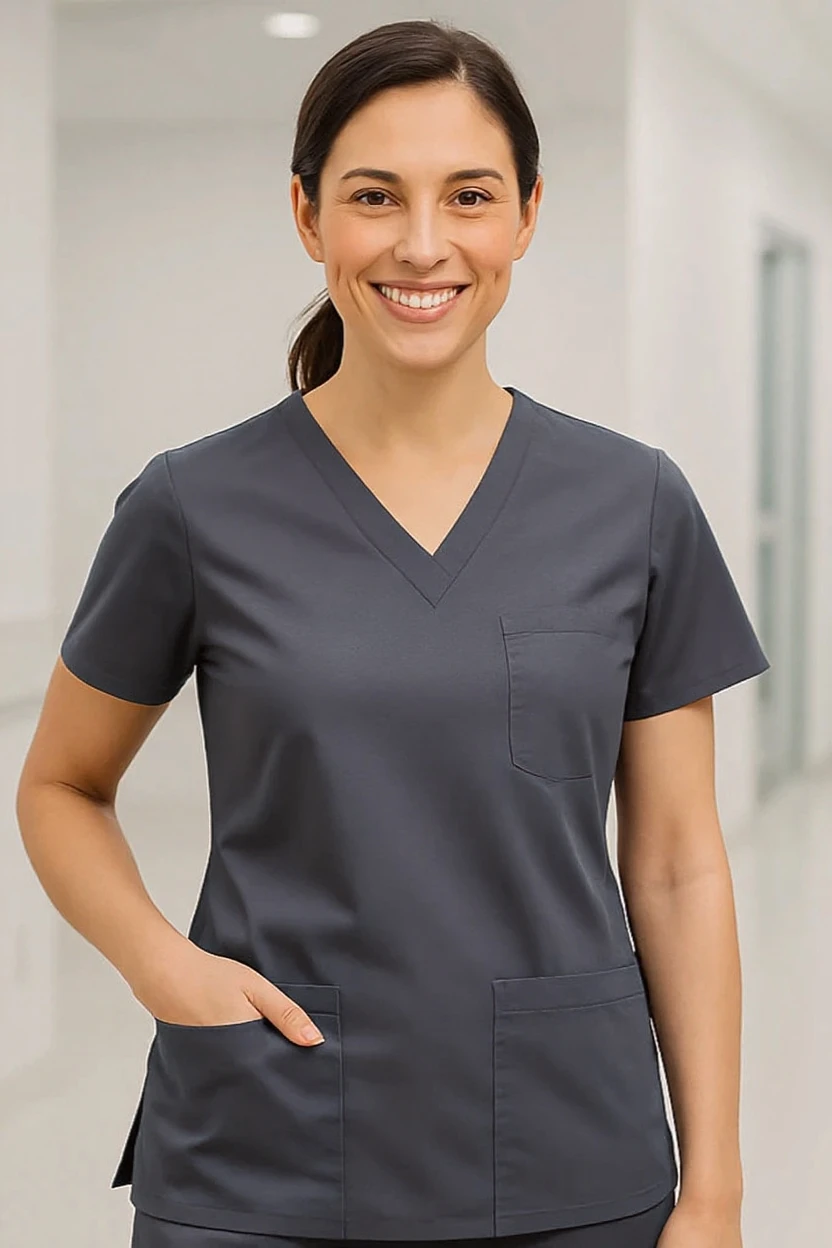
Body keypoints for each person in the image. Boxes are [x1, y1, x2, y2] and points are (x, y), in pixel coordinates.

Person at [16, 18, 768, 1248]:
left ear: (526, 213)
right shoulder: (193, 507)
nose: (424, 244)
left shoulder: (633, 504)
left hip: (569, 1158)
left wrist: (717, 1187)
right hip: (263, 1155)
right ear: (309, 218)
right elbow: (60, 784)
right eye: (376, 196)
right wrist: (161, 966)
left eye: (468, 195)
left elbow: (679, 862)